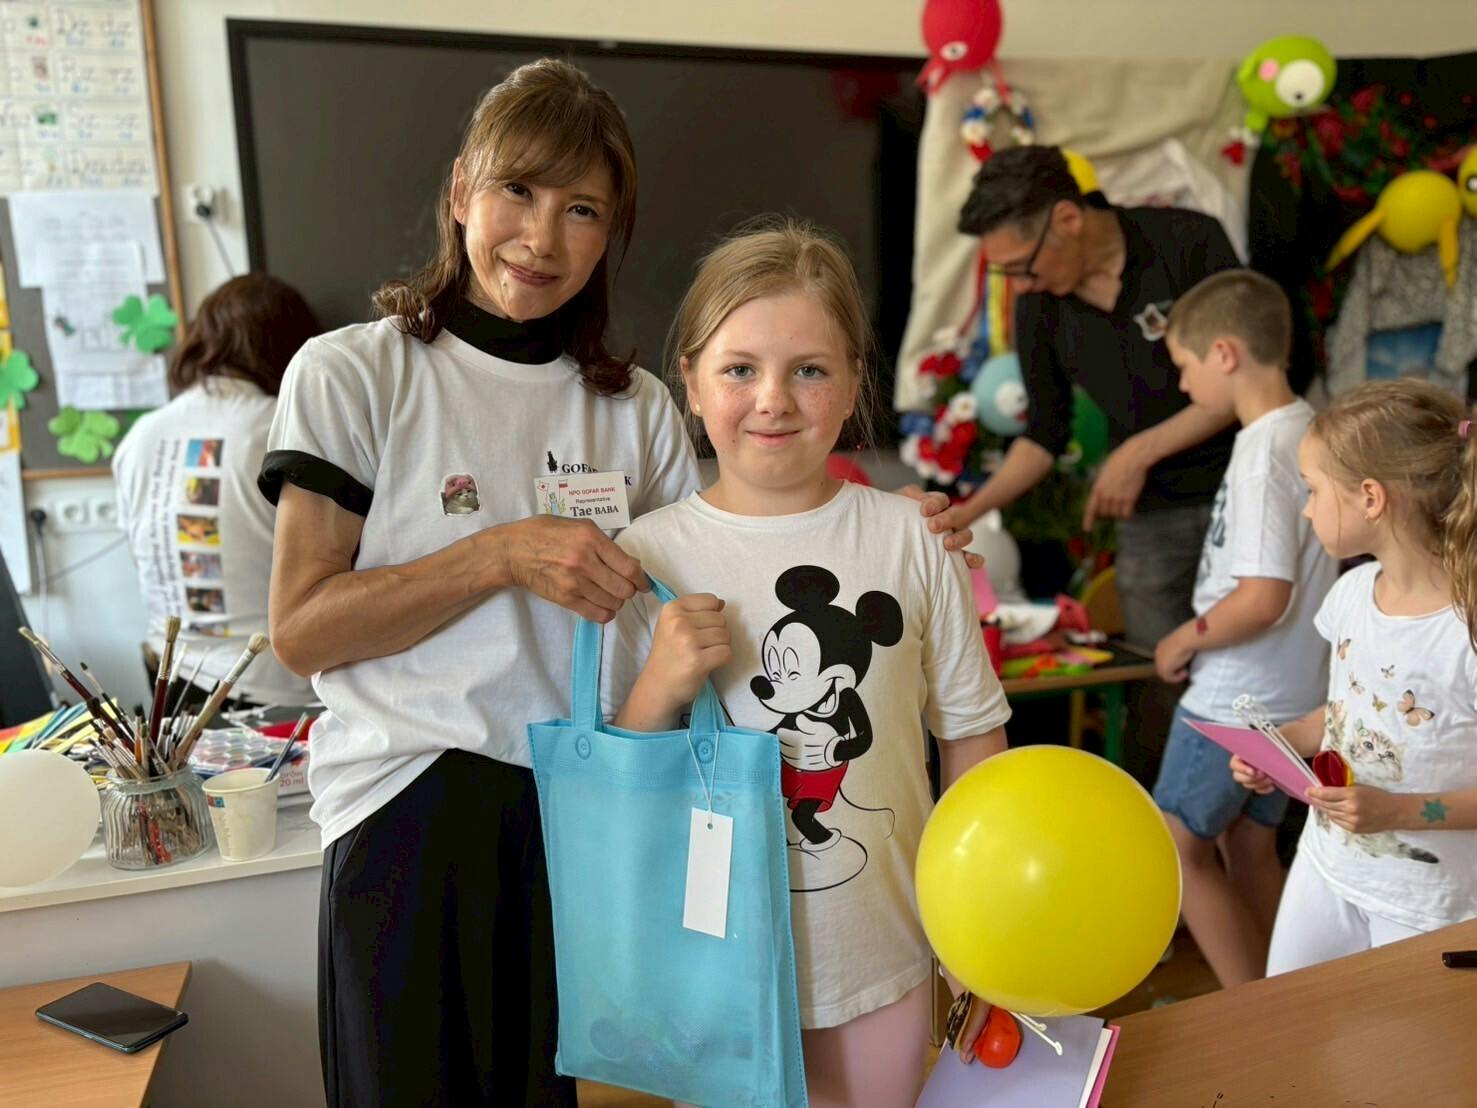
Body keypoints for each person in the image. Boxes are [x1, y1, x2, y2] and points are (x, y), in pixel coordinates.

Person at [258, 61, 975, 1107]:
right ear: (460, 190)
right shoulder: (354, 373)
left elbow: (728, 554)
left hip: (591, 808)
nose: (541, 237)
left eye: (582, 209)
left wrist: (877, 528)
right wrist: (499, 553)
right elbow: (301, 629)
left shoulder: (631, 406)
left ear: (610, 234)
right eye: (517, 191)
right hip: (409, 804)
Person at [603, 219, 1012, 1108]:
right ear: (690, 381)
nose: (773, 400)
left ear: (855, 381)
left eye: (810, 370)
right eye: (739, 369)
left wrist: (977, 931)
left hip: (887, 954)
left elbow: (973, 743)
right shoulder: (644, 556)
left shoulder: (915, 538)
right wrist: (659, 686)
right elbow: (617, 787)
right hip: (713, 966)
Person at [930, 145, 1243, 782]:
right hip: (1150, 519)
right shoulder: (1042, 307)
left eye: (1022, 267)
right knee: (1161, 678)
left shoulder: (1187, 242)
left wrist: (1136, 451)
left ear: (1068, 219)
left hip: (1240, 494)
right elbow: (1043, 437)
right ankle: (1171, 820)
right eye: (1005, 276)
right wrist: (965, 512)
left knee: (1250, 670)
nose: (1020, 286)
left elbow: (1247, 380)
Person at [1232, 379, 1477, 974]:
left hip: (1428, 907)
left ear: (1370, 497)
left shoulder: (1464, 628)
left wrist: (1396, 812)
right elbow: (1348, 713)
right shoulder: (1349, 595)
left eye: (1312, 489)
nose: (1306, 508)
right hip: (1325, 866)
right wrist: (1282, 743)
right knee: (1287, 1015)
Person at [1149, 271, 1336, 987]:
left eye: (1184, 365)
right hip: (1292, 695)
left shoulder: (1262, 450)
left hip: (1233, 698)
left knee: (1176, 848)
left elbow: (1261, 597)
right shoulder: (1305, 427)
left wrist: (1185, 636)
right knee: (1248, 845)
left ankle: (1252, 1010)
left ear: (1224, 354)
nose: (1182, 384)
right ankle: (1297, 999)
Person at [114, 274, 320, 710]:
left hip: (169, 681)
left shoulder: (141, 435)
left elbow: (139, 552)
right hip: (272, 688)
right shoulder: (281, 425)